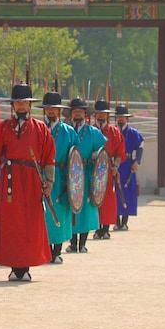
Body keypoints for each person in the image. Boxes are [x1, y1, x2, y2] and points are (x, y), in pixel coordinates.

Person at [0, 83, 55, 281]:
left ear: (30, 105)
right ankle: (15, 267)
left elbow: (48, 158)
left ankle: (26, 267)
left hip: (31, 181)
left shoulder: (41, 129)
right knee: (12, 224)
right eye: (17, 102)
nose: (21, 106)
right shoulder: (4, 128)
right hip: (10, 180)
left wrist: (49, 181)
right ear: (12, 105)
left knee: (30, 223)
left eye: (24, 102)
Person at [38, 91, 77, 264]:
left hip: (61, 176)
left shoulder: (69, 131)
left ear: (59, 111)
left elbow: (75, 159)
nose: (51, 111)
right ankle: (44, 250)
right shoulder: (38, 129)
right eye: (48, 108)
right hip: (40, 176)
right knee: (42, 214)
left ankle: (57, 250)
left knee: (60, 212)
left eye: (54, 108)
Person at [65, 98, 105, 254]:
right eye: (74, 111)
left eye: (80, 111)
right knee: (71, 207)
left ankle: (82, 243)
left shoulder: (93, 132)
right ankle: (72, 242)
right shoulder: (67, 130)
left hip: (87, 174)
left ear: (85, 114)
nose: (77, 114)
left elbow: (102, 152)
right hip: (70, 174)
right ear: (71, 114)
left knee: (86, 210)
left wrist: (95, 156)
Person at [93, 99, 124, 240]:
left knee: (107, 201)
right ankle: (96, 228)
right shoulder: (90, 130)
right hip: (92, 170)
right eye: (98, 113)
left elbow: (119, 152)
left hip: (108, 170)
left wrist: (116, 166)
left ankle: (105, 229)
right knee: (93, 199)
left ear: (107, 116)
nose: (101, 116)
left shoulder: (114, 132)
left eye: (103, 113)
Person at [114, 105, 144, 231]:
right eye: (119, 117)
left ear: (127, 119)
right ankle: (116, 221)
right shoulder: (113, 132)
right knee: (115, 192)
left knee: (127, 192)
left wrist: (137, 161)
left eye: (123, 117)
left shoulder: (133, 133)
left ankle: (125, 221)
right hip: (115, 164)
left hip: (128, 164)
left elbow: (140, 146)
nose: (121, 119)